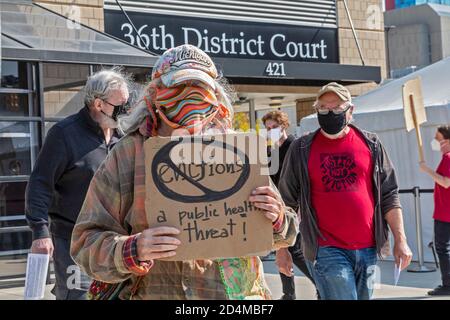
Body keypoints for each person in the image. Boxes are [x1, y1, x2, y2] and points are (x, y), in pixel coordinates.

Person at [70, 44, 298, 300]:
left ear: (215, 97)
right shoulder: (130, 154)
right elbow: (85, 243)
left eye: (199, 92)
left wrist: (276, 216)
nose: (189, 102)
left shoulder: (237, 150)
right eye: (177, 91)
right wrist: (134, 249)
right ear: (156, 96)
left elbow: (287, 231)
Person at [278, 82, 413, 300]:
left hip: (368, 249)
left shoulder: (372, 144)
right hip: (327, 249)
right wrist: (282, 250)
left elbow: (389, 194)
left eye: (337, 108)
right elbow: (286, 202)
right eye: (323, 108)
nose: (330, 113)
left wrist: (401, 239)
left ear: (350, 111)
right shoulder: (302, 148)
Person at [25, 68, 131, 300]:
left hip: (113, 240)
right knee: (78, 295)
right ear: (98, 104)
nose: (126, 110)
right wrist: (40, 232)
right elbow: (40, 184)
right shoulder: (63, 134)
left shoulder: (122, 136)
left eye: (127, 103)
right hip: (72, 241)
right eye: (120, 105)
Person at [262, 110, 318, 300]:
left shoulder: (295, 145)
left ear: (284, 126)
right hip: (278, 206)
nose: (271, 131)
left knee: (293, 247)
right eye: (268, 129)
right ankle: (289, 293)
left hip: (296, 205)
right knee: (281, 245)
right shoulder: (270, 151)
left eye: (275, 127)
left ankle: (319, 284)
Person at [419, 125, 450, 296]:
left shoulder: (448, 157)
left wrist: (426, 170)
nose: (436, 141)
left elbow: (446, 182)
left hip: (446, 212)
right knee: (443, 247)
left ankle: (448, 283)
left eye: (438, 138)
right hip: (444, 210)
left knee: (442, 248)